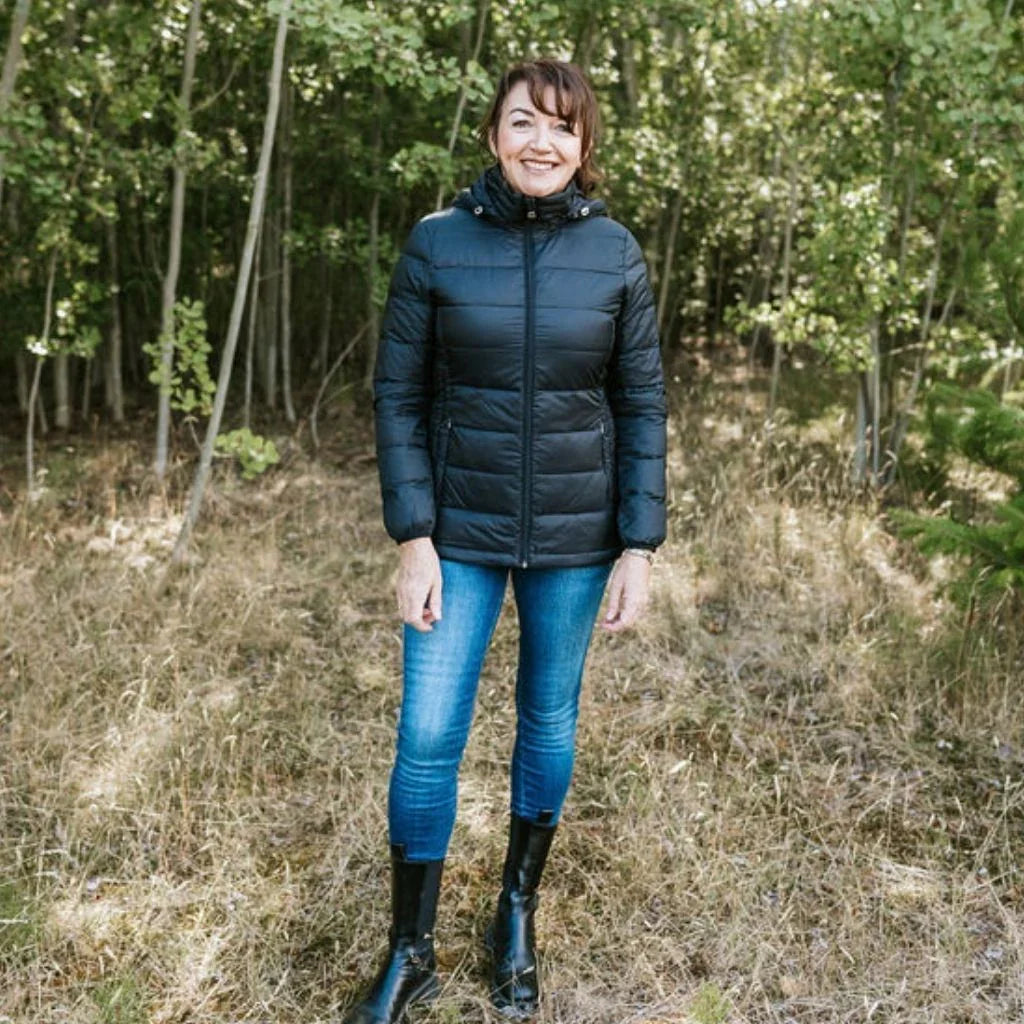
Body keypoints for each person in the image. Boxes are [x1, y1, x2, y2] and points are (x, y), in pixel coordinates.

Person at [346, 58, 666, 1024]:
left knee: (549, 723)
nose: (542, 142)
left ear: (585, 148)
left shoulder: (615, 253)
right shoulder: (436, 244)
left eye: (562, 128)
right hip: (460, 535)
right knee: (429, 734)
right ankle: (412, 949)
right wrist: (414, 537)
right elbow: (397, 395)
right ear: (493, 136)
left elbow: (641, 400)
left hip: (578, 537)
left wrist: (638, 547)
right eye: (524, 122)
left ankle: (513, 916)